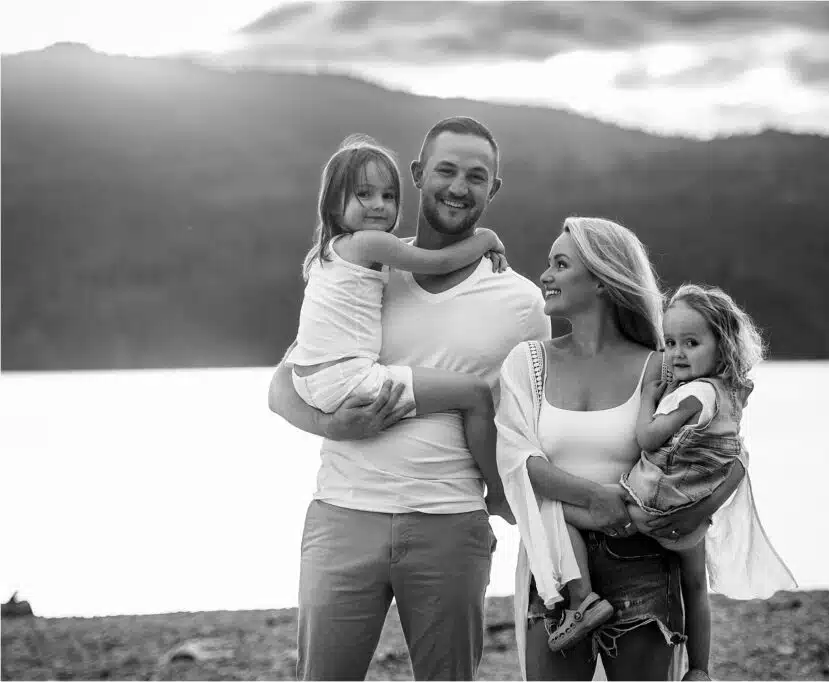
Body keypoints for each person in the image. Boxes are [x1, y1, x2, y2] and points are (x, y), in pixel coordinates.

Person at [268, 116, 550, 680]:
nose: (458, 186)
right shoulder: (366, 270)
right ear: (420, 175)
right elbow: (283, 387)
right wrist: (335, 426)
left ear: (492, 189)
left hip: (449, 523)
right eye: (445, 170)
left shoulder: (520, 302)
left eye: (476, 176)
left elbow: (536, 421)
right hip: (343, 515)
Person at [495, 217, 746, 681]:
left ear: (602, 280)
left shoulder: (664, 365)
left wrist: (690, 514)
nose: (545, 275)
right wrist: (594, 497)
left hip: (645, 563)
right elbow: (515, 458)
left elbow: (723, 452)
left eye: (560, 264)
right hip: (556, 564)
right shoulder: (527, 363)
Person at [286, 132, 513, 522]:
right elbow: (436, 262)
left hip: (310, 379)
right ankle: (498, 493)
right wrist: (485, 239)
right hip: (348, 378)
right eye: (364, 194)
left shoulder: (326, 253)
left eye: (388, 196)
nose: (378, 205)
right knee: (474, 394)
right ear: (333, 200)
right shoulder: (369, 244)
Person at [618, 283, 797, 679]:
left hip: (656, 505)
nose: (677, 353)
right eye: (669, 342)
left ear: (722, 345)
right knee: (695, 588)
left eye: (691, 342)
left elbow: (647, 438)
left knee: (583, 512)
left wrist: (648, 396)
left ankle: (580, 598)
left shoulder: (694, 394)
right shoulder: (728, 394)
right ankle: (698, 669)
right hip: (694, 513)